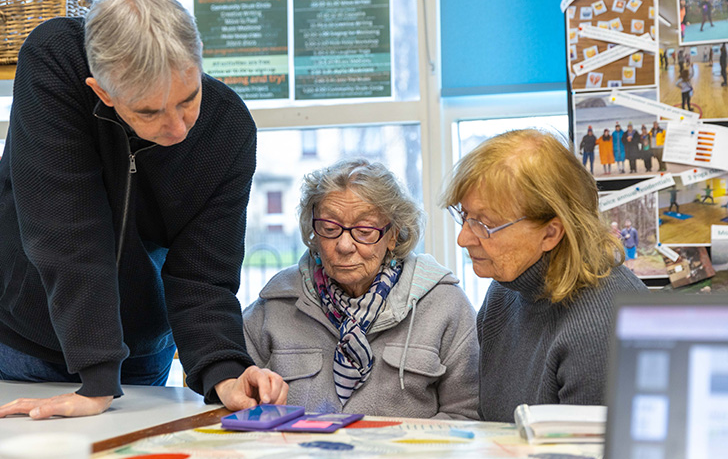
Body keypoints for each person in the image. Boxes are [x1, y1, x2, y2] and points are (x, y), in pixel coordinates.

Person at [0, 0, 287, 419]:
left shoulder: (228, 129)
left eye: (188, 100)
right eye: (149, 112)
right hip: (25, 324)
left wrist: (224, 371)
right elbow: (67, 231)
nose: (177, 128)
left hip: (140, 335)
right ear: (103, 93)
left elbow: (204, 273)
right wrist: (98, 378)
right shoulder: (53, 59)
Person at [243, 159, 479, 419]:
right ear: (313, 230)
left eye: (364, 230)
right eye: (330, 228)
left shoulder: (443, 303)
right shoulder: (276, 303)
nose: (344, 245)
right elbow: (234, 397)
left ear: (392, 235)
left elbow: (466, 414)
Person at [441, 129, 647, 423]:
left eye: (485, 224)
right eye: (465, 216)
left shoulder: (603, 326)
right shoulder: (505, 291)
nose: (463, 238)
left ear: (550, 233)